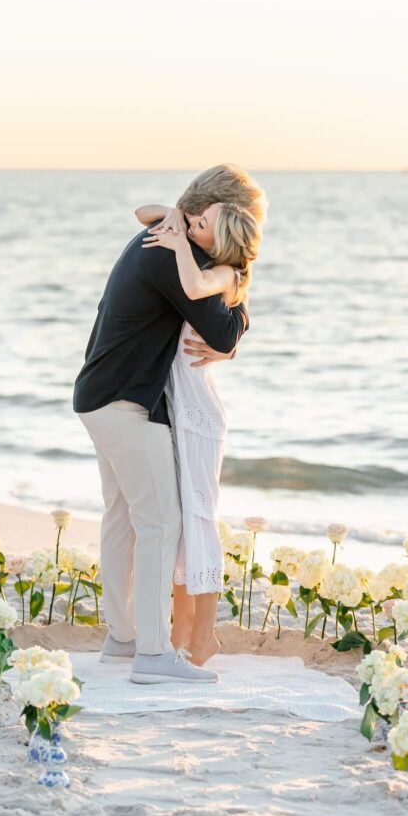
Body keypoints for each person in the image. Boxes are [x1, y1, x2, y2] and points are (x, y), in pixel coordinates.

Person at [73, 164, 264, 683]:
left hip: (97, 395)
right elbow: (221, 336)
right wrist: (241, 301)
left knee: (123, 519)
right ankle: (153, 654)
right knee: (161, 523)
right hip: (128, 406)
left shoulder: (154, 236)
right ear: (214, 215)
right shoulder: (178, 257)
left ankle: (123, 637)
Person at [138, 201, 262, 666]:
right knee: (181, 524)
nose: (190, 226)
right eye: (193, 219)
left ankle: (204, 636)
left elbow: (192, 285)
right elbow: (142, 211)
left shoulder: (226, 274)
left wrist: (174, 242)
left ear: (224, 239)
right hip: (178, 410)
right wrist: (175, 213)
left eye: (201, 224)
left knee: (201, 522)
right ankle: (182, 630)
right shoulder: (202, 257)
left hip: (201, 417)